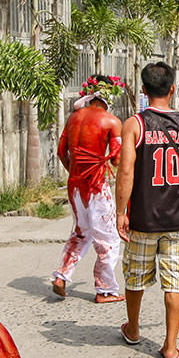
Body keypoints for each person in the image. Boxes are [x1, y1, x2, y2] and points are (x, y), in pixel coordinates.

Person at [115, 62, 179, 358]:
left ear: (144, 91)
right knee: (175, 282)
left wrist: (121, 211)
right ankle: (170, 346)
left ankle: (132, 329)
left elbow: (126, 171)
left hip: (143, 219)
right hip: (178, 220)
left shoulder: (135, 124)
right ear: (172, 89)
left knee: (135, 276)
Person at [51, 75, 125, 303]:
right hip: (96, 185)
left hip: (74, 184)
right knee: (109, 238)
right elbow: (116, 160)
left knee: (81, 232)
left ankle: (62, 275)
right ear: (108, 96)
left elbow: (61, 152)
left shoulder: (73, 118)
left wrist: (75, 170)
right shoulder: (111, 121)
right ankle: (105, 290)